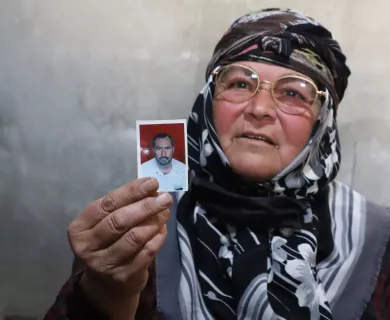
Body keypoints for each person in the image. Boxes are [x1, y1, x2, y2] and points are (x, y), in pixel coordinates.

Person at [44, 8, 390, 320]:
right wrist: (107, 295)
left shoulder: (377, 240)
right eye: (240, 83)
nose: (259, 109)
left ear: (322, 121)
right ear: (208, 101)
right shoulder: (140, 228)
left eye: (292, 93)